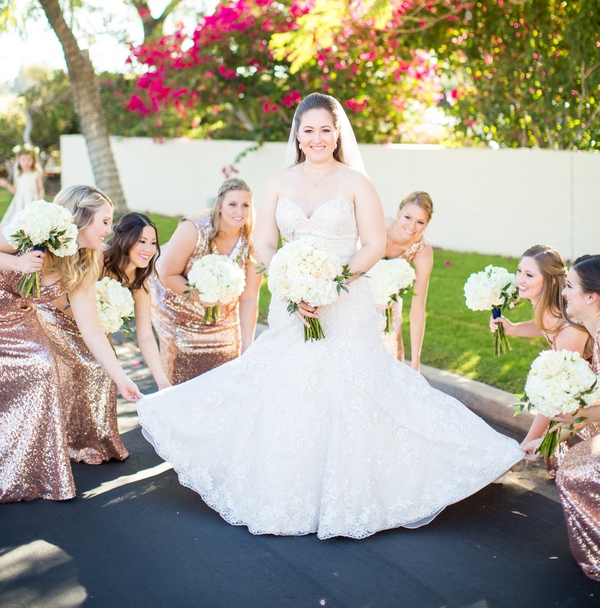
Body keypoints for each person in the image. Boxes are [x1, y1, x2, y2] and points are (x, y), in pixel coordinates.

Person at [137, 92, 522, 539]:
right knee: (288, 386)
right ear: (297, 134)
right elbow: (263, 242)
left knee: (351, 386)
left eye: (325, 129)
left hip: (346, 298)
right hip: (289, 302)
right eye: (308, 130)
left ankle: (367, 488)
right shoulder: (278, 181)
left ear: (337, 133)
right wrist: (288, 281)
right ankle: (287, 490)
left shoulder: (357, 183)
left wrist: (331, 282)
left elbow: (375, 245)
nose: (316, 138)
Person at [0, 184, 141, 502]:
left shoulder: (85, 264)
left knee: (43, 368)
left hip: (20, 319)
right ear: (81, 217)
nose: (110, 229)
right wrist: (18, 264)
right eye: (105, 221)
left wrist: (122, 379)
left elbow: (92, 332)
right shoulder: (35, 230)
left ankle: (17, 472)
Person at [527, 255, 600, 582]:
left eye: (570, 286)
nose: (564, 293)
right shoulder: (592, 329)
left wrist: (576, 415)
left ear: (591, 297)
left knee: (573, 474)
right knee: (570, 459)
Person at [151, 178, 262, 384]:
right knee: (183, 373)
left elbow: (249, 297)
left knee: (231, 361)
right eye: (232, 204)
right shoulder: (194, 228)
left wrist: (248, 345)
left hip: (222, 316)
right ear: (220, 206)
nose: (239, 211)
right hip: (177, 312)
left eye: (245, 205)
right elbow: (166, 273)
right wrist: (199, 297)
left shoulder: (253, 240)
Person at [491, 244, 590, 456]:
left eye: (529, 274)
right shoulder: (548, 307)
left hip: (586, 409)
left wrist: (524, 445)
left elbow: (555, 395)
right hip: (566, 396)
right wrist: (513, 329)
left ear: (551, 281)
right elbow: (545, 327)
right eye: (519, 271)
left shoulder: (571, 331)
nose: (520, 280)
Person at [102, 212, 170, 391]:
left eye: (153, 243)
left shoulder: (140, 283)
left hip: (100, 349)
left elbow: (146, 335)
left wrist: (162, 381)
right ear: (124, 239)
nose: (149, 249)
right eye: (142, 241)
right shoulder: (99, 261)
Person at [379, 191, 434, 369]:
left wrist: (416, 362)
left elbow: (418, 308)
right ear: (398, 213)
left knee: (391, 360)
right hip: (361, 296)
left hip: (389, 306)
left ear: (427, 223)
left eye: (420, 222)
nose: (412, 226)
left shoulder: (422, 251)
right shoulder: (379, 227)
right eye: (408, 217)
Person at [0, 144, 45, 223]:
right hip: (19, 202)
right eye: (23, 160)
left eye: (29, 160)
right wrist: (6, 184)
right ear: (19, 160)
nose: (26, 162)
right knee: (17, 221)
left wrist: (39, 200)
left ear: (33, 160)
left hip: (32, 200)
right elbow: (15, 191)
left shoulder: (35, 173)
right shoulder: (17, 174)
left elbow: (40, 188)